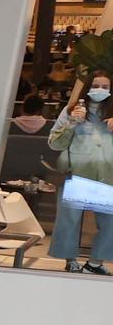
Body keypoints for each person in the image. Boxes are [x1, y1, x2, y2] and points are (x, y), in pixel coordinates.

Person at [49, 69, 113, 273]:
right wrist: (71, 123)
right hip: (77, 174)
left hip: (107, 176)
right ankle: (71, 261)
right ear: (87, 88)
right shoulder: (71, 111)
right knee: (69, 222)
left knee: (111, 222)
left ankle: (95, 263)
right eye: (95, 86)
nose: (100, 90)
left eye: (105, 87)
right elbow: (54, 143)